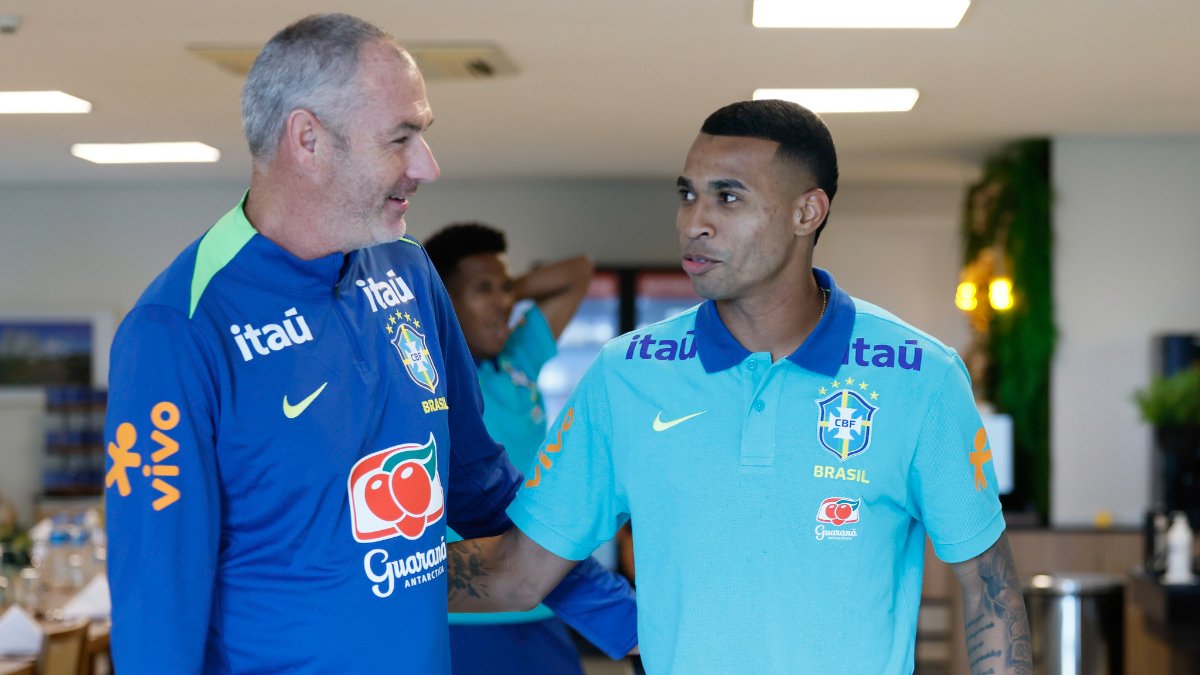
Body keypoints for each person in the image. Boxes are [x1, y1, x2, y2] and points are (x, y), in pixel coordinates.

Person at [102, 13, 635, 673]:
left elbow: (480, 487)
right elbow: (158, 607)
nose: (428, 166)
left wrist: (630, 621)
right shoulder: (178, 328)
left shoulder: (409, 271)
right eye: (401, 137)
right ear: (308, 138)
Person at [445, 99, 1033, 674]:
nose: (693, 222)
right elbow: (518, 574)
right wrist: (362, 572)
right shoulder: (626, 374)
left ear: (808, 213)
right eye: (687, 194)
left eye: (728, 196)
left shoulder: (920, 376)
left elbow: (989, 591)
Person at [425, 222, 594, 675]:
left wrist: (503, 291)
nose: (503, 302)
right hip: (464, 618)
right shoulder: (428, 381)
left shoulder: (517, 361)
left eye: (506, 288)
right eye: (482, 289)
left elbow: (577, 273)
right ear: (442, 301)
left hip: (539, 603)